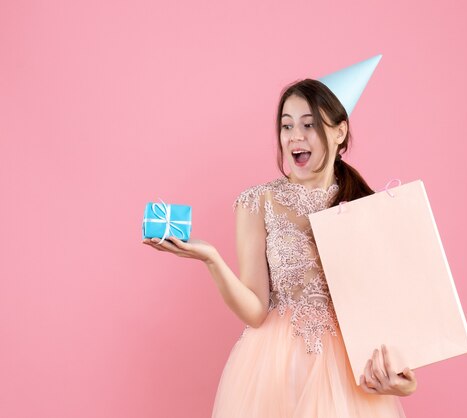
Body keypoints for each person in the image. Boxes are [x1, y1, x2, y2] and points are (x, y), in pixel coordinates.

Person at [143, 73, 417, 417]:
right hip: (274, 374)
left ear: (340, 132)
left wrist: (407, 378)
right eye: (287, 126)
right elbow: (256, 310)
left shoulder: (367, 206)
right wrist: (211, 259)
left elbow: (385, 309)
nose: (295, 136)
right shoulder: (257, 202)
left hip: (348, 381)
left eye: (309, 124)